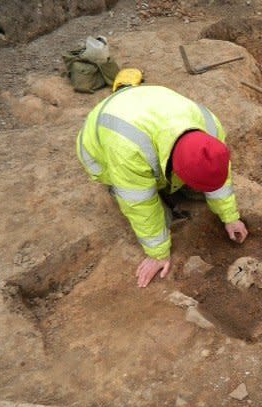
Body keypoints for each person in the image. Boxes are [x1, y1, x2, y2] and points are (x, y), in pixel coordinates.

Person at [76, 70, 248, 287]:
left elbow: (218, 177)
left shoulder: (210, 129)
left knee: (198, 197)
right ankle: (126, 188)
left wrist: (230, 217)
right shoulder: (128, 149)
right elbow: (140, 205)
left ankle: (169, 188)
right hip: (103, 147)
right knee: (157, 215)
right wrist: (158, 253)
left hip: (150, 111)